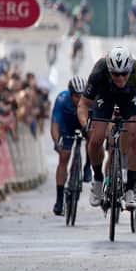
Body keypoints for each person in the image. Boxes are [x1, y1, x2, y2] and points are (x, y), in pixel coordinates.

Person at [77, 46, 136, 211]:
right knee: (96, 138)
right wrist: (85, 124)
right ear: (109, 69)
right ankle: (98, 179)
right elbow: (83, 103)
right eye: (115, 74)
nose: (120, 78)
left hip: (130, 97)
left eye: (124, 74)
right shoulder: (99, 70)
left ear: (130, 70)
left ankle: (130, 189)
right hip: (105, 95)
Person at [50, 76, 90, 216]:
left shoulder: (89, 100)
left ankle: (87, 167)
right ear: (70, 94)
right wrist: (56, 141)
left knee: (92, 138)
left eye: (82, 96)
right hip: (67, 126)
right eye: (76, 96)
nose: (79, 99)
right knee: (64, 157)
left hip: (84, 122)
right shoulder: (62, 99)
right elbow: (55, 124)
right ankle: (60, 200)